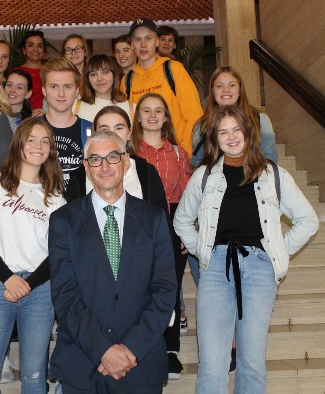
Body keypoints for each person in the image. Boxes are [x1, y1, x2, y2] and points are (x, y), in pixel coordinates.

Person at [174, 105, 319, 394]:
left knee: (251, 361)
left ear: (249, 132)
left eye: (236, 129)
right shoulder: (204, 176)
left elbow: (308, 220)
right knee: (213, 365)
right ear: (215, 138)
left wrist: (274, 252)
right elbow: (181, 221)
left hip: (259, 271)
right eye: (222, 131)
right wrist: (204, 252)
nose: (231, 137)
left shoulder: (273, 175)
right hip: (215, 271)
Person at [49, 131, 176, 393]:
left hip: (140, 361)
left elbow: (164, 291)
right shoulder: (63, 221)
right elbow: (64, 295)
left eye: (112, 157)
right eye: (95, 159)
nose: (104, 166)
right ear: (85, 167)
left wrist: (129, 349)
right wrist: (102, 351)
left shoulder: (154, 219)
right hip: (82, 363)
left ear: (126, 161)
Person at [0, 117, 66, 394]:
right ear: (19, 144)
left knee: (34, 378)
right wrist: (9, 279)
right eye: (32, 139)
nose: (38, 146)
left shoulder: (55, 194)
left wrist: (28, 284)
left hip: (39, 291)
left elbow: (58, 251)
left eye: (45, 141)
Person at [131, 93, 191, 380]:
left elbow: (187, 197)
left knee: (170, 286)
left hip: (170, 225)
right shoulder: (129, 152)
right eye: (146, 110)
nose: (152, 115)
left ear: (166, 118)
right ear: (138, 116)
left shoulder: (179, 153)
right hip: (136, 226)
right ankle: (141, 346)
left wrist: (183, 232)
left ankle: (170, 350)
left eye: (158, 111)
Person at [120, 18, 203, 157]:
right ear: (132, 45)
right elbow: (129, 123)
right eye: (138, 40)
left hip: (176, 154)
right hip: (143, 157)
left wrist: (184, 152)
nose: (143, 44)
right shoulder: (127, 80)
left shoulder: (173, 69)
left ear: (157, 41)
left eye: (148, 38)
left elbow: (194, 115)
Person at [66, 106, 167, 215]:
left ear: (129, 133)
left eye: (119, 128)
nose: (112, 134)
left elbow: (160, 218)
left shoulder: (146, 172)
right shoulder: (78, 177)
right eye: (104, 129)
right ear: (94, 133)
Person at [192, 65, 278, 167]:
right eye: (219, 86)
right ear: (213, 91)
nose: (226, 90)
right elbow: (197, 162)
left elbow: (269, 160)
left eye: (232, 85)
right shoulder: (202, 125)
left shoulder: (260, 120)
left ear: (240, 90)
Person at [40, 57, 93, 188]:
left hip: (79, 206)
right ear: (44, 90)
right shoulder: (28, 131)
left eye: (67, 87)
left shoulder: (91, 131)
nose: (61, 93)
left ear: (76, 90)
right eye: (54, 86)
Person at [74, 54, 131, 124]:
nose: (99, 78)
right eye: (93, 74)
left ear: (114, 75)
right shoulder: (75, 107)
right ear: (87, 79)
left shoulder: (130, 108)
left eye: (105, 72)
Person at [15, 30, 47, 110]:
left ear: (43, 51)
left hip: (45, 117)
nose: (35, 49)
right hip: (21, 118)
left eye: (40, 46)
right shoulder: (15, 73)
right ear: (24, 50)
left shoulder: (50, 72)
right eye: (30, 45)